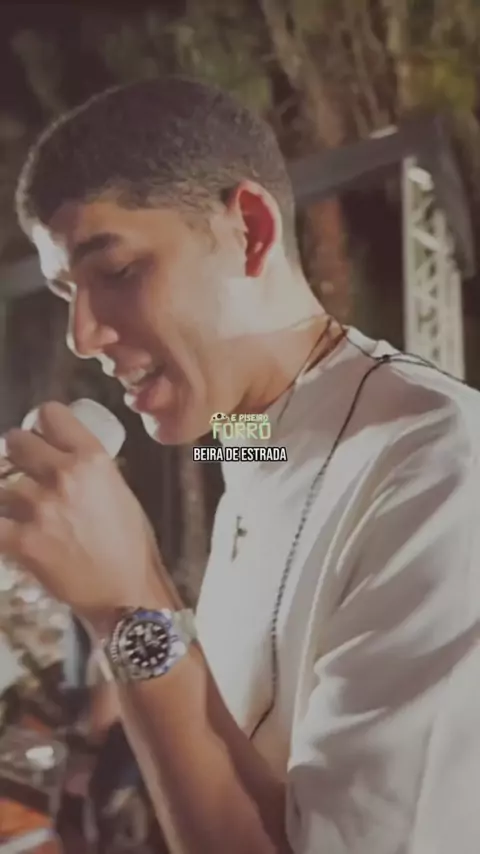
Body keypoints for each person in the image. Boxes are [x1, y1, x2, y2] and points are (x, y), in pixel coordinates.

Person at [0, 76, 480, 854]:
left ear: (250, 231)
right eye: (65, 292)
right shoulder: (252, 430)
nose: (81, 336)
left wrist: (127, 603)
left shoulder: (443, 469)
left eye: (116, 272)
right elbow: (278, 448)